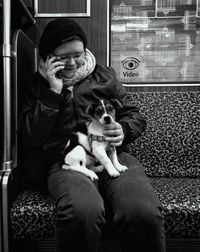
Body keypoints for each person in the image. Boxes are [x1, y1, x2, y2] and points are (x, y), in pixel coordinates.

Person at [19, 18, 166, 252]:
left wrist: (124, 129)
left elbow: (134, 115)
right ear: (48, 57)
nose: (72, 62)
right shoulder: (36, 85)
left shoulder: (105, 76)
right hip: (66, 159)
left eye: (77, 54)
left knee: (142, 210)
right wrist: (53, 93)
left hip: (113, 153)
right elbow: (29, 136)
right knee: (81, 211)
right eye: (63, 56)